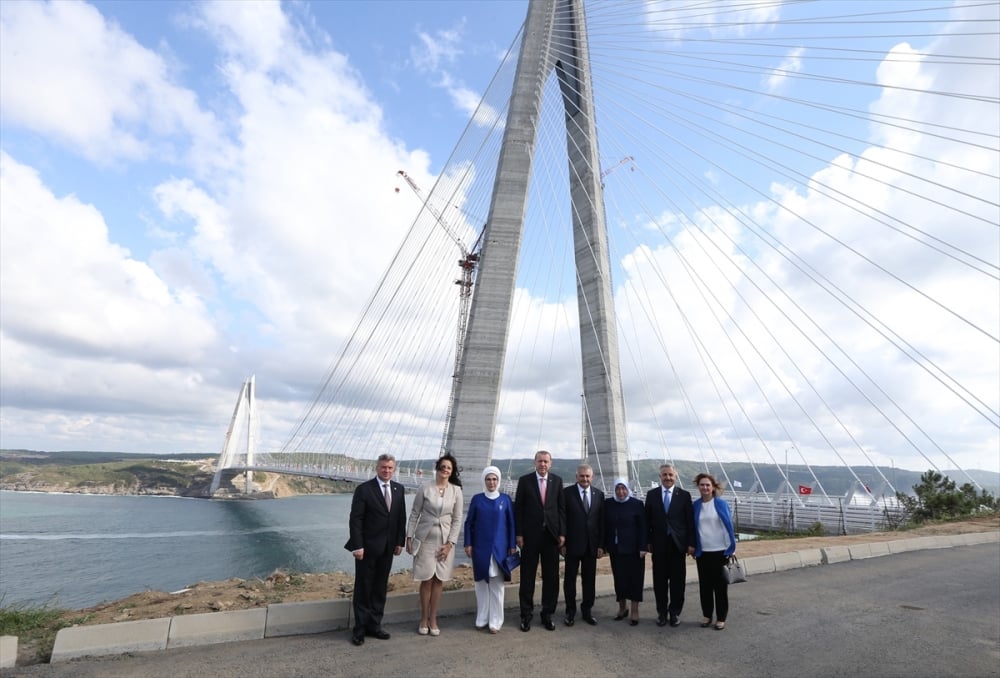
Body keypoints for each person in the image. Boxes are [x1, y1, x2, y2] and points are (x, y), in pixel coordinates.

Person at [344, 453, 406, 646]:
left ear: (393, 469)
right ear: (377, 468)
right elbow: (356, 520)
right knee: (364, 588)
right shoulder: (364, 490)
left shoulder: (399, 489)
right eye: (383, 467)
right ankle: (360, 629)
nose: (386, 471)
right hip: (367, 548)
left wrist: (399, 542)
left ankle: (375, 625)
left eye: (390, 468)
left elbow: (400, 518)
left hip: (388, 548)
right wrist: (358, 545)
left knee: (380, 588)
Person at [405, 454, 463, 636]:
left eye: (449, 468)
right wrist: (409, 536)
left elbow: (457, 519)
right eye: (443, 467)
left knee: (439, 580)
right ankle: (423, 618)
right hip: (425, 540)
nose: (445, 470)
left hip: (444, 542)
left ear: (451, 472)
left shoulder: (456, 491)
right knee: (426, 579)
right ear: (437, 468)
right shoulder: (425, 488)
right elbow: (415, 513)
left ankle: (433, 619)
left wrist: (450, 544)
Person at [514, 449, 565, 632]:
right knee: (527, 577)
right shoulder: (525, 481)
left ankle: (547, 614)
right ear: (534, 462)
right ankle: (526, 615)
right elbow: (518, 509)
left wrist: (562, 533)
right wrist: (518, 534)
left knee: (551, 578)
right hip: (530, 537)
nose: (543, 464)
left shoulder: (557, 481)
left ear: (550, 464)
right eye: (540, 461)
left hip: (551, 537)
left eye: (546, 461)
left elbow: (561, 509)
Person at [464, 466, 518, 634]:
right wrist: (468, 543)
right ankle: (482, 617)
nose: (491, 482)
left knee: (497, 584)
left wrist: (511, 546)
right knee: (480, 583)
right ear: (484, 481)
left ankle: (496, 620)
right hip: (480, 548)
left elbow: (511, 524)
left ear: (498, 480)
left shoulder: (505, 499)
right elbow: (469, 523)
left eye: (494, 479)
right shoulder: (477, 499)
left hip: (500, 549)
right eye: (488, 479)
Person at [645, 463, 695, 628]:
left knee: (677, 582)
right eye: (664, 475)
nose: (667, 477)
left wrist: (690, 544)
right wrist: (648, 542)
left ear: (675, 476)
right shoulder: (651, 495)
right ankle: (661, 613)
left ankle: (674, 613)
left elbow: (690, 523)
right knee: (659, 582)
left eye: (670, 475)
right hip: (658, 545)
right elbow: (647, 522)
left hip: (677, 546)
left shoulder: (684, 495)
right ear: (660, 477)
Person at [561, 463, 605, 626]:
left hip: (591, 546)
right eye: (582, 476)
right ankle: (570, 612)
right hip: (571, 545)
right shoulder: (566, 493)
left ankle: (587, 611)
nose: (585, 479)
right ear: (576, 477)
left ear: (592, 477)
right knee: (569, 581)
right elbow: (562, 520)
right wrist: (562, 542)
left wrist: (601, 545)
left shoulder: (599, 494)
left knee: (589, 581)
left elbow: (601, 522)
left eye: (587, 476)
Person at [693, 472, 737, 631]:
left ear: (713, 488)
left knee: (720, 587)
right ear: (698, 487)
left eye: (707, 485)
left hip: (720, 552)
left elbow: (728, 526)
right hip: (702, 552)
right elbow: (694, 528)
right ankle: (706, 615)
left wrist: (731, 547)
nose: (705, 487)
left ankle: (721, 617)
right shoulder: (696, 505)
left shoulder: (720, 504)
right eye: (702, 485)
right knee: (704, 586)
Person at [604, 478, 647, 625]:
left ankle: (635, 610)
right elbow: (604, 526)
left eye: (623, 489)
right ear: (614, 489)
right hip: (616, 549)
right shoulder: (608, 504)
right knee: (619, 579)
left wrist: (643, 547)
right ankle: (622, 608)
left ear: (628, 489)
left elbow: (643, 527)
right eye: (618, 489)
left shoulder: (637, 504)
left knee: (635, 580)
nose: (621, 492)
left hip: (635, 550)